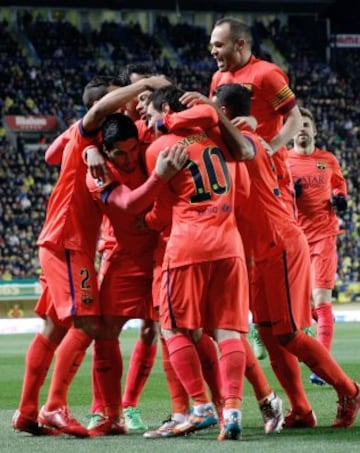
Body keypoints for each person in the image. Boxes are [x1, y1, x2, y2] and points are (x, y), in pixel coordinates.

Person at [11, 74, 171, 438]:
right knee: (90, 325)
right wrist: (147, 82)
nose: (128, 105)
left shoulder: (91, 139)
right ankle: (54, 407)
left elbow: (53, 153)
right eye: (120, 101)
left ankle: (27, 411)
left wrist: (87, 147)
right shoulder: (89, 133)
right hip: (69, 242)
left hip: (65, 240)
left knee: (53, 330)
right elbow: (94, 115)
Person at [200, 82, 360, 430]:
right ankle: (301, 409)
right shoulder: (237, 143)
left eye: (213, 109)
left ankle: (349, 391)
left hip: (281, 244)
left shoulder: (250, 143)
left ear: (224, 113)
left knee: (289, 334)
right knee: (270, 334)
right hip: (259, 252)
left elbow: (244, 148)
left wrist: (205, 108)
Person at [145, 84, 254, 441]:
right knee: (228, 332)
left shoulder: (161, 148)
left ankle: (202, 407)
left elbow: (160, 214)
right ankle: (233, 411)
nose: (148, 120)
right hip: (229, 243)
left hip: (188, 246)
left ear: (166, 110)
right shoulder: (217, 139)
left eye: (151, 114)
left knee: (173, 329)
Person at [84, 112, 188, 435]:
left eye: (133, 151)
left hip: (161, 252)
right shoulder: (97, 170)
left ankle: (174, 411)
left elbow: (166, 108)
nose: (130, 159)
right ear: (105, 149)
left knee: (162, 331)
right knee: (105, 330)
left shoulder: (147, 138)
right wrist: (88, 149)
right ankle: (108, 413)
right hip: (123, 256)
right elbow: (129, 204)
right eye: (121, 154)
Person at [209, 17, 303, 360]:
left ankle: (288, 317)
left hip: (268, 176)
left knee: (273, 245)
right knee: (241, 250)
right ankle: (258, 321)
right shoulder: (218, 79)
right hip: (235, 174)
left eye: (219, 45)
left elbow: (295, 118)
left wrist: (272, 146)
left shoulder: (267, 74)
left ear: (241, 45)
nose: (213, 52)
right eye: (211, 46)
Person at [287, 107, 348, 386]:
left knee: (322, 301)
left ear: (313, 130)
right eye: (296, 125)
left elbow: (339, 185)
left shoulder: (327, 160)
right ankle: (316, 344)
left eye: (306, 124)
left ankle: (322, 365)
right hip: (295, 239)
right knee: (306, 305)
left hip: (324, 236)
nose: (301, 129)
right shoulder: (284, 160)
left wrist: (340, 198)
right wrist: (289, 195)